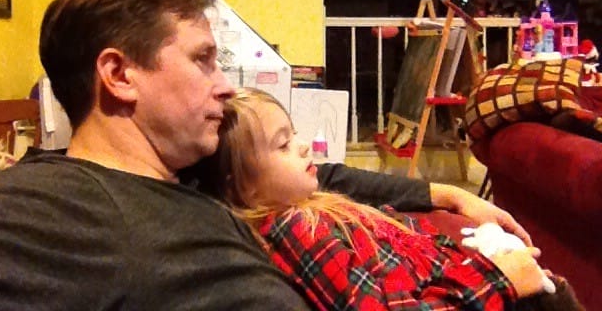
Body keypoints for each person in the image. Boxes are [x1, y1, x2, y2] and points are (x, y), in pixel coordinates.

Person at [0, 0, 530, 310]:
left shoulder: (184, 171)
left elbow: (309, 173)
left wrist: (443, 194)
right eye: (203, 60)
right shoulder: (65, 212)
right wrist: (493, 281)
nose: (225, 86)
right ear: (120, 75)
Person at [194, 87, 583, 311]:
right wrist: (497, 277)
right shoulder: (295, 228)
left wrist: (484, 255)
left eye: (293, 133)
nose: (303, 146)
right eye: (283, 144)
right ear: (243, 186)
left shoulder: (313, 203)